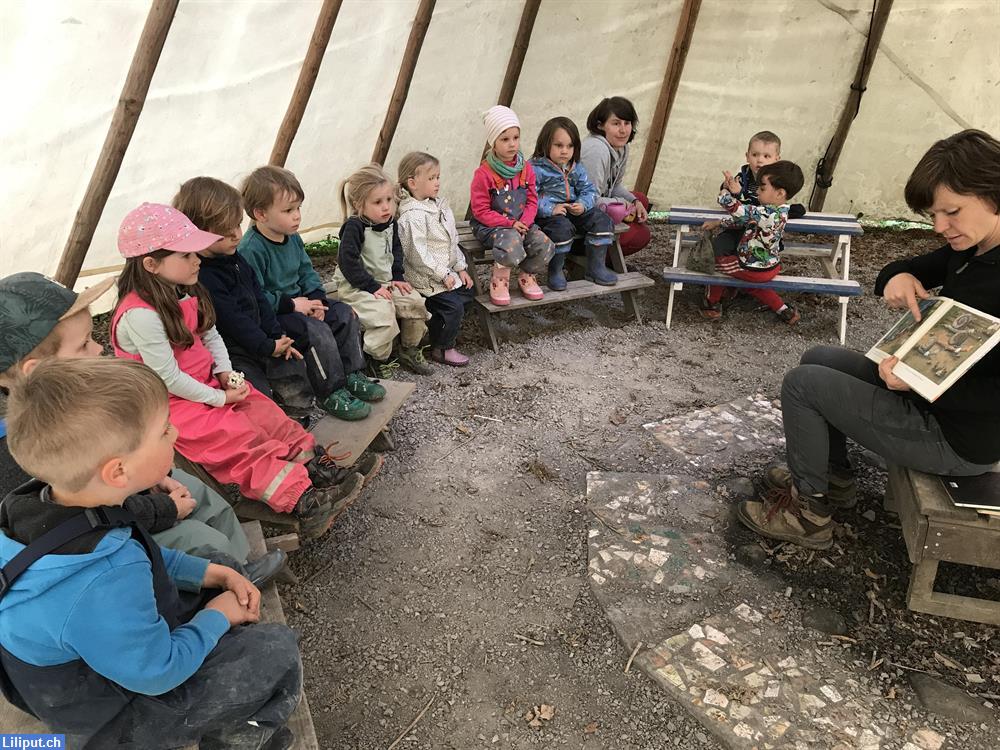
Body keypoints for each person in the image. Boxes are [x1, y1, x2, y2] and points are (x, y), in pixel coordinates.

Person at [0, 357, 302, 749]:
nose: (175, 431)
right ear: (118, 471)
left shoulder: (47, 503)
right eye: (164, 430)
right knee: (273, 650)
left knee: (218, 564)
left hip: (94, 654)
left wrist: (211, 574)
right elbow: (158, 671)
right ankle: (239, 735)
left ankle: (228, 595)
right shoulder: (103, 579)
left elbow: (140, 548)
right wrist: (216, 616)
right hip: (112, 714)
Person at [737, 129, 1000, 550]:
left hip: (957, 436)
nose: (940, 226)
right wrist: (901, 275)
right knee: (818, 357)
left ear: (993, 193)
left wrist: (923, 382)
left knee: (803, 385)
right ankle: (833, 477)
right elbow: (894, 270)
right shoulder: (971, 248)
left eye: (951, 212)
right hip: (924, 399)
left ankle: (809, 514)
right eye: (933, 214)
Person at [0, 271, 285, 587]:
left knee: (201, 493)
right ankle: (226, 584)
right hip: (101, 544)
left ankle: (242, 565)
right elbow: (85, 517)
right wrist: (164, 508)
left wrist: (157, 479)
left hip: (124, 493)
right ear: (38, 370)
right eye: (83, 344)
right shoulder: (33, 444)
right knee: (198, 539)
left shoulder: (72, 397)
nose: (98, 350)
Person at [111, 202, 369, 539]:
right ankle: (302, 501)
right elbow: (168, 379)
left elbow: (210, 333)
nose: (197, 260)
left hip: (205, 386)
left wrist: (225, 373)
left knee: (266, 412)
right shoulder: (140, 315)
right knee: (235, 437)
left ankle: (315, 466)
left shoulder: (183, 290)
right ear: (151, 264)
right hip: (169, 405)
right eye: (186, 255)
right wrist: (219, 398)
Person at [236, 167, 386, 418]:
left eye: (298, 208)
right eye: (288, 210)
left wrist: (316, 298)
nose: (297, 217)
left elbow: (307, 271)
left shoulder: (291, 237)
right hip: (276, 315)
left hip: (303, 305)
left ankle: (352, 374)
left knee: (345, 313)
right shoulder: (252, 249)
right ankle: (330, 391)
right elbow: (256, 297)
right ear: (260, 214)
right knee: (317, 331)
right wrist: (294, 305)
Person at [332, 163, 433, 378]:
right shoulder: (354, 227)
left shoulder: (390, 223)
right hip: (357, 286)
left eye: (389, 200)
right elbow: (348, 263)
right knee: (383, 316)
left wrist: (397, 277)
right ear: (359, 204)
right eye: (378, 202)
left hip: (384, 283)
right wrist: (372, 286)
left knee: (415, 303)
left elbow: (395, 251)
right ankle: (373, 359)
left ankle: (408, 349)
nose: (386, 207)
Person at [700, 160, 805, 324]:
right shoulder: (782, 211)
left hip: (751, 267)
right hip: (770, 266)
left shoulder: (765, 213)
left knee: (711, 263)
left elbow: (737, 209)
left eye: (762, 189)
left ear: (779, 193)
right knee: (751, 285)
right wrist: (720, 223)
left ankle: (711, 303)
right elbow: (746, 221)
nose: (758, 193)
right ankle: (784, 310)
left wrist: (724, 192)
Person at [470, 105, 555, 306]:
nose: (512, 144)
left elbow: (533, 200)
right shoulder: (483, 174)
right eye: (505, 139)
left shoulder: (526, 168)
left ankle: (527, 275)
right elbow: (480, 211)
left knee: (544, 244)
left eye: (515, 138)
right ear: (493, 142)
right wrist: (510, 224)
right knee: (511, 240)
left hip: (521, 223)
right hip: (491, 226)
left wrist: (524, 221)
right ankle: (500, 279)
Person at [396, 151, 475, 367]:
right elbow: (418, 255)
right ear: (412, 183)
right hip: (425, 278)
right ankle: (443, 348)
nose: (437, 183)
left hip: (445, 273)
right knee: (453, 307)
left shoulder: (438, 206)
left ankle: (438, 328)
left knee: (469, 292)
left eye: (438, 177)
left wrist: (460, 268)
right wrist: (443, 274)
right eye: (431, 178)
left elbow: (452, 240)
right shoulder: (412, 216)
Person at [530, 116, 618, 289]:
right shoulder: (535, 168)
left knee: (602, 220)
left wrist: (583, 204)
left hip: (574, 209)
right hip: (550, 215)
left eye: (570, 146)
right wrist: (551, 208)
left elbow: (590, 190)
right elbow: (529, 197)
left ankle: (595, 266)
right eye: (559, 145)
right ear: (545, 143)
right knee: (561, 229)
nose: (565, 151)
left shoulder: (576, 167)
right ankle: (556, 270)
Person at [705, 130, 807, 259]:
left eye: (766, 156)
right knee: (719, 246)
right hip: (739, 225)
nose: (759, 160)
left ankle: (747, 264)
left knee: (757, 250)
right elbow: (736, 206)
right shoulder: (742, 178)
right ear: (747, 156)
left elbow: (770, 207)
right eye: (755, 155)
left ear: (777, 159)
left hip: (762, 227)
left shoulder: (778, 180)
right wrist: (728, 188)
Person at [579, 96, 650, 256]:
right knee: (639, 236)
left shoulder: (621, 147)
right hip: (580, 217)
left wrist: (634, 201)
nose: (623, 130)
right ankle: (588, 259)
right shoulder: (596, 150)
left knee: (641, 200)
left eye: (627, 123)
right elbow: (589, 200)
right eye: (616, 123)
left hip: (599, 205)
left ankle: (607, 257)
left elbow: (615, 185)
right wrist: (622, 203)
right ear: (600, 125)